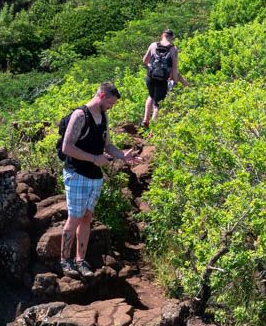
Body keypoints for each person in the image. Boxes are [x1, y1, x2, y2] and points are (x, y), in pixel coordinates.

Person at [59, 82, 130, 278]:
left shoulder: (103, 116)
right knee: (74, 218)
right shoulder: (80, 116)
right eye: (110, 103)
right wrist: (94, 159)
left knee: (87, 217)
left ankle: (80, 260)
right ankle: (65, 261)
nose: (111, 107)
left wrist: (123, 155)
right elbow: (67, 147)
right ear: (102, 96)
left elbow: (107, 146)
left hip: (95, 176)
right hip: (77, 173)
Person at [141, 28, 185, 126]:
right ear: (172, 37)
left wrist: (151, 68)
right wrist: (174, 80)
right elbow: (174, 68)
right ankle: (153, 127)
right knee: (158, 104)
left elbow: (145, 61)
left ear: (162, 35)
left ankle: (145, 120)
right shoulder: (174, 49)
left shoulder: (153, 45)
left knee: (151, 96)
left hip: (150, 77)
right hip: (162, 79)